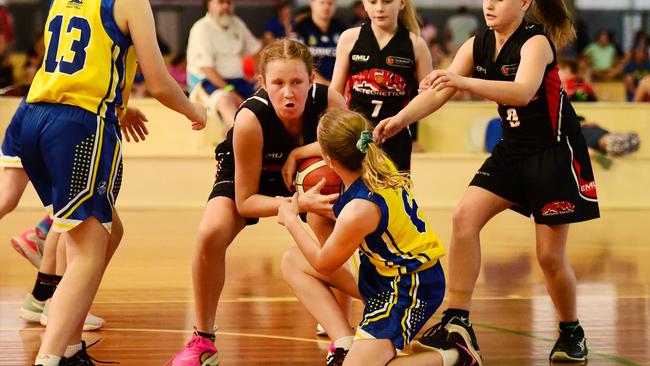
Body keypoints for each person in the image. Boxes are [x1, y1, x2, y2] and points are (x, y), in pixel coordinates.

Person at [374, 0, 598, 363]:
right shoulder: (477, 44)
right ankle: (457, 317)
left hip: (553, 154)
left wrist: (461, 80)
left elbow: (523, 92)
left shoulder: (536, 42)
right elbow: (439, 90)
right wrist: (401, 119)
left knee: (549, 258)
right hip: (512, 150)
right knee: (464, 218)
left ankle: (571, 331)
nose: (489, 4)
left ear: (524, 3)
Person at [22, 0, 206, 364]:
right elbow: (159, 83)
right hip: (78, 128)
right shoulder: (131, 3)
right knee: (86, 253)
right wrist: (194, 110)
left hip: (34, 119)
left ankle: (70, 345)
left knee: (104, 232)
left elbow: (78, 63)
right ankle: (51, 356)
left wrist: (120, 107)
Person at [171, 39, 346, 366]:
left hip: (301, 170)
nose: (288, 93)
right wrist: (298, 203)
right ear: (264, 84)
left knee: (329, 219)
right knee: (211, 232)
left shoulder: (329, 101)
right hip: (248, 173)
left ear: (312, 79)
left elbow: (352, 146)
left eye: (297, 82)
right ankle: (202, 339)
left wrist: (298, 153)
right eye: (278, 83)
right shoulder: (250, 118)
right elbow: (247, 201)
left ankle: (343, 338)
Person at [278, 108, 475, 366]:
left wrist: (292, 220)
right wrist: (305, 199)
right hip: (382, 273)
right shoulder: (377, 164)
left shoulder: (360, 209)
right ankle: (344, 344)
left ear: (327, 160)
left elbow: (325, 262)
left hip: (411, 286)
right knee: (293, 261)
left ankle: (454, 356)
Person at [330, 0, 432, 172]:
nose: (379, 8)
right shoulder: (349, 38)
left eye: (387, 2)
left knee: (394, 197)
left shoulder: (416, 44)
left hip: (396, 137)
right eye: (372, 2)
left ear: (402, 3)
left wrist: (426, 91)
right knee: (353, 196)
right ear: (364, 4)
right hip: (354, 134)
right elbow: (334, 93)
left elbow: (431, 98)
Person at [187, 0, 262, 129]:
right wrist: (232, 92)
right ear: (210, 4)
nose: (226, 6)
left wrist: (259, 75)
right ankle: (236, 135)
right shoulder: (201, 28)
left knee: (265, 96)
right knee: (226, 101)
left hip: (239, 83)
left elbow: (256, 51)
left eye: (229, 2)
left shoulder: (237, 23)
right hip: (208, 85)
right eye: (221, 2)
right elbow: (208, 70)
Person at [292, 0, 346, 84]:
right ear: (312, 4)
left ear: (335, 6)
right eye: (322, 3)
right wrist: (326, 84)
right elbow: (296, 62)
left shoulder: (342, 29)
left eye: (330, 3)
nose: (326, 7)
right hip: (309, 84)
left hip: (338, 85)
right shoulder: (300, 28)